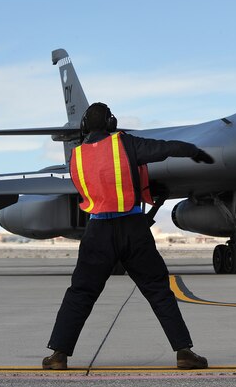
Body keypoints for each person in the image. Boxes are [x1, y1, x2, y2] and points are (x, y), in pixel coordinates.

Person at [43, 102, 213, 370]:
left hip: (97, 231)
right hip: (133, 228)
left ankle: (58, 355)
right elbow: (164, 148)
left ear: (85, 127)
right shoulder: (124, 143)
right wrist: (192, 150)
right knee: (158, 290)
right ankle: (183, 352)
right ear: (112, 123)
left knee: (80, 293)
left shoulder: (76, 156)